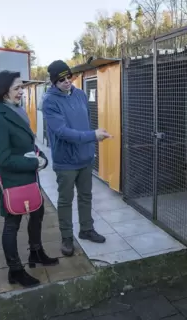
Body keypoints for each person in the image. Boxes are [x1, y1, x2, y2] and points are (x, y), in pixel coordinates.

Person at [0, 70, 59, 288]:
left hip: (28, 176)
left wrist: (40, 155)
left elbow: (27, 143)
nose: (22, 92)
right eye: (17, 88)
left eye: (22, 87)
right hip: (12, 180)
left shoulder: (17, 111)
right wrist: (33, 163)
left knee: (37, 212)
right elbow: (3, 159)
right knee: (12, 223)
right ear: (4, 91)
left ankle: (36, 253)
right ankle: (15, 270)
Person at [42, 60, 111, 257]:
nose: (66, 81)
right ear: (54, 81)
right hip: (66, 161)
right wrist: (92, 136)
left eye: (69, 77)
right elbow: (62, 132)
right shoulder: (49, 101)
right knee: (65, 200)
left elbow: (86, 123)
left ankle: (86, 229)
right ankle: (67, 238)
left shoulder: (80, 94)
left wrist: (91, 141)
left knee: (86, 196)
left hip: (85, 157)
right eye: (61, 79)